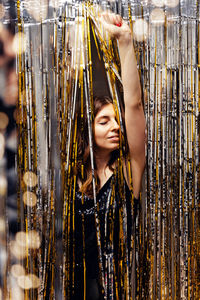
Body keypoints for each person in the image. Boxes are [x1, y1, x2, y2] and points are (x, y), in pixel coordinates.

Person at [67, 12, 146, 300]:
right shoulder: (69, 180)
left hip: (121, 290)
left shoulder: (128, 172)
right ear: (86, 131)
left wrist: (125, 42)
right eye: (104, 121)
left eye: (116, 120)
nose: (115, 126)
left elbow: (134, 105)